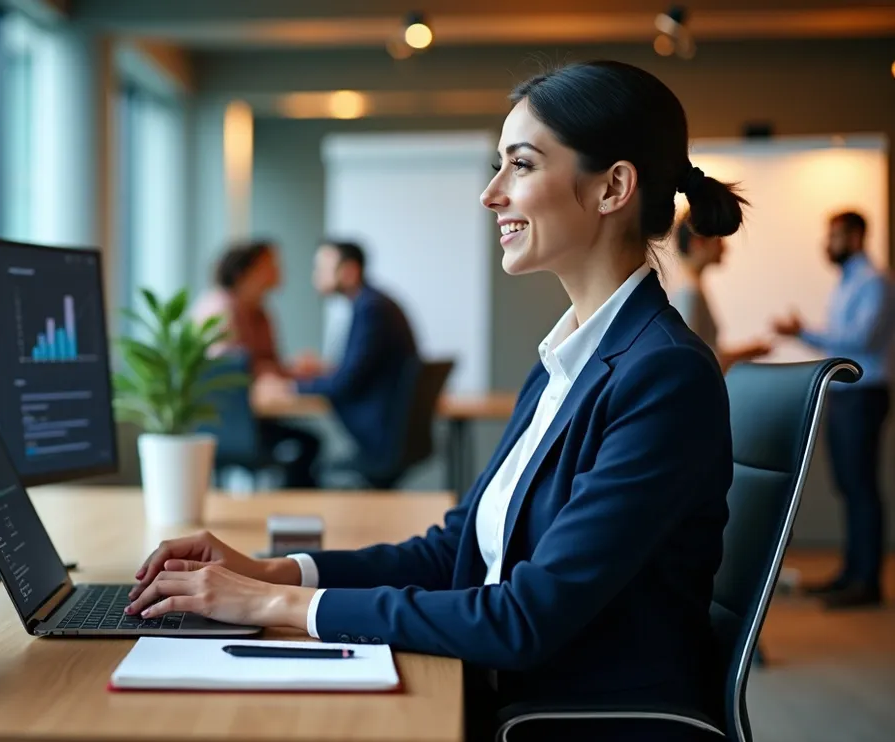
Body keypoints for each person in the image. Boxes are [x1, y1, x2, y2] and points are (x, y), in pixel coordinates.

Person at [126, 60, 745, 742]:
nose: (491, 194)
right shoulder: (566, 361)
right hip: (507, 687)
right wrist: (269, 569)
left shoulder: (663, 376)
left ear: (612, 188)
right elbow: (455, 550)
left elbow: (524, 618)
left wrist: (277, 603)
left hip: (573, 716)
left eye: (521, 165)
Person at [772, 211, 893, 609]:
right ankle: (850, 574)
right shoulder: (847, 282)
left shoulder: (874, 281)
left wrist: (804, 331)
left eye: (835, 236)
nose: (829, 244)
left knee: (861, 488)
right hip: (844, 396)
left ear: (857, 237)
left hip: (864, 395)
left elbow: (858, 339)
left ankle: (867, 582)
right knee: (848, 487)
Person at [253, 240, 419, 484]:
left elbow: (346, 382)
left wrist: (290, 388)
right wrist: (322, 370)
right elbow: (358, 369)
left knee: (305, 463)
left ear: (349, 271)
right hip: (393, 430)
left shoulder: (370, 309)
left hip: (381, 436)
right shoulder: (372, 303)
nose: (315, 276)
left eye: (322, 268)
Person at [190, 239, 323, 488]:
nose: (279, 271)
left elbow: (268, 363)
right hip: (223, 422)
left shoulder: (260, 311)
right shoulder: (218, 308)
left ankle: (293, 517)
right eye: (270, 265)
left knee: (309, 442)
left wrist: (294, 369)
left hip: (255, 416)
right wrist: (274, 372)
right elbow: (229, 371)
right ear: (246, 272)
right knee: (302, 445)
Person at [668, 210, 774, 371]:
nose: (725, 247)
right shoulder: (689, 292)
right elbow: (691, 360)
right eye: (719, 240)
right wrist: (749, 351)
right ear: (698, 242)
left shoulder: (689, 287)